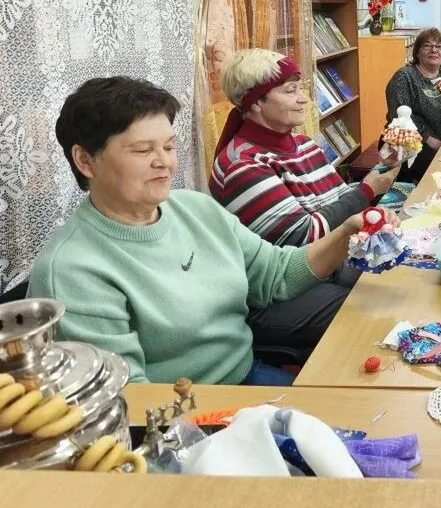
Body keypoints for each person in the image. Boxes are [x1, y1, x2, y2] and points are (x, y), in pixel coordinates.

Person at [28, 76, 397, 386]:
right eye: (142, 151)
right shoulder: (73, 270)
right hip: (181, 415)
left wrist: (347, 232)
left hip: (245, 374)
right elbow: (129, 399)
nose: (164, 162)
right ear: (85, 160)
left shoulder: (195, 209)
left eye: (169, 147)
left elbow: (277, 273)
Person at [209, 50, 398, 353]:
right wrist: (367, 191)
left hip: (328, 265)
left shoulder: (303, 145)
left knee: (397, 282)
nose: (304, 99)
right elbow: (304, 236)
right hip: (274, 294)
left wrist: (381, 174)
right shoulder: (242, 165)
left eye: (301, 88)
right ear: (255, 102)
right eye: (290, 91)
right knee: (368, 316)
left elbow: (341, 200)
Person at [384, 28, 441, 182]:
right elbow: (399, 115)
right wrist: (429, 139)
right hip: (409, 144)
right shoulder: (404, 77)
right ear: (417, 52)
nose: (434, 50)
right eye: (427, 46)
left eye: (439, 47)